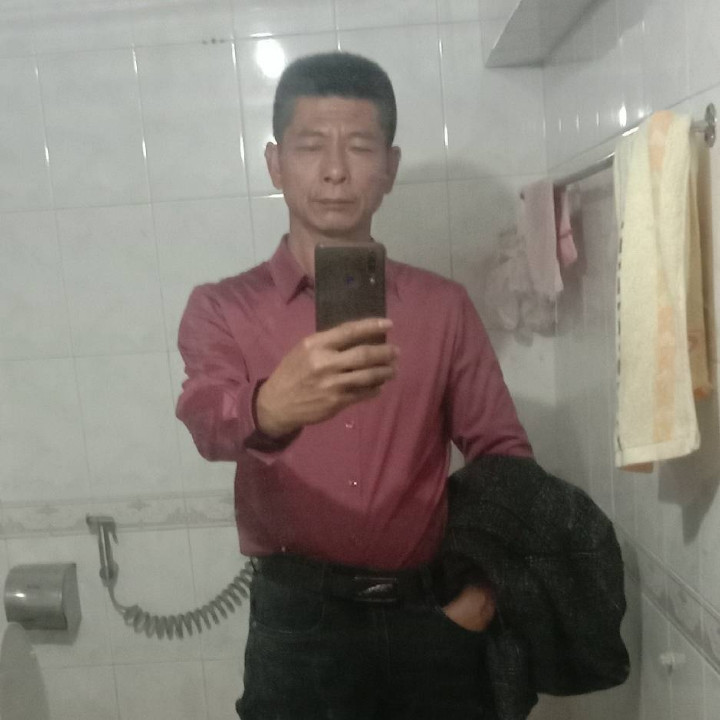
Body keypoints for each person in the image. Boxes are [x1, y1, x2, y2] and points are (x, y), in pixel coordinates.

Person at [176, 52, 533, 720]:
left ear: (389, 167)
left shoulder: (442, 307)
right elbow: (203, 419)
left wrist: (482, 596)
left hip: (433, 616)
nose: (335, 170)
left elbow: (503, 454)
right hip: (297, 624)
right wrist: (267, 407)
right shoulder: (222, 308)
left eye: (360, 147)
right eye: (311, 146)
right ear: (275, 163)